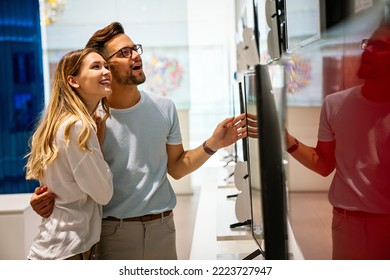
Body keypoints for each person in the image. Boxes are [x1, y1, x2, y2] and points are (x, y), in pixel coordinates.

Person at [30, 22, 250, 260]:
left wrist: (213, 144)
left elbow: (176, 167)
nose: (135, 55)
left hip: (164, 228)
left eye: (135, 48)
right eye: (124, 52)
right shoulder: (91, 123)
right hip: (110, 234)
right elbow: (69, 178)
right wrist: (43, 198)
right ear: (106, 67)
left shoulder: (164, 107)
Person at [285, 22, 390, 260]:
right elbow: (324, 165)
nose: (369, 51)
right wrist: (286, 140)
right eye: (369, 44)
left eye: (381, 47)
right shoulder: (335, 104)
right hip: (346, 223)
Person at [25, 48, 114, 260]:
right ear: (73, 81)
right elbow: (104, 193)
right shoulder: (77, 127)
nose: (106, 71)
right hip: (67, 252)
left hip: (55, 249)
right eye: (96, 67)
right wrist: (99, 148)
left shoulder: (62, 123)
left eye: (106, 66)